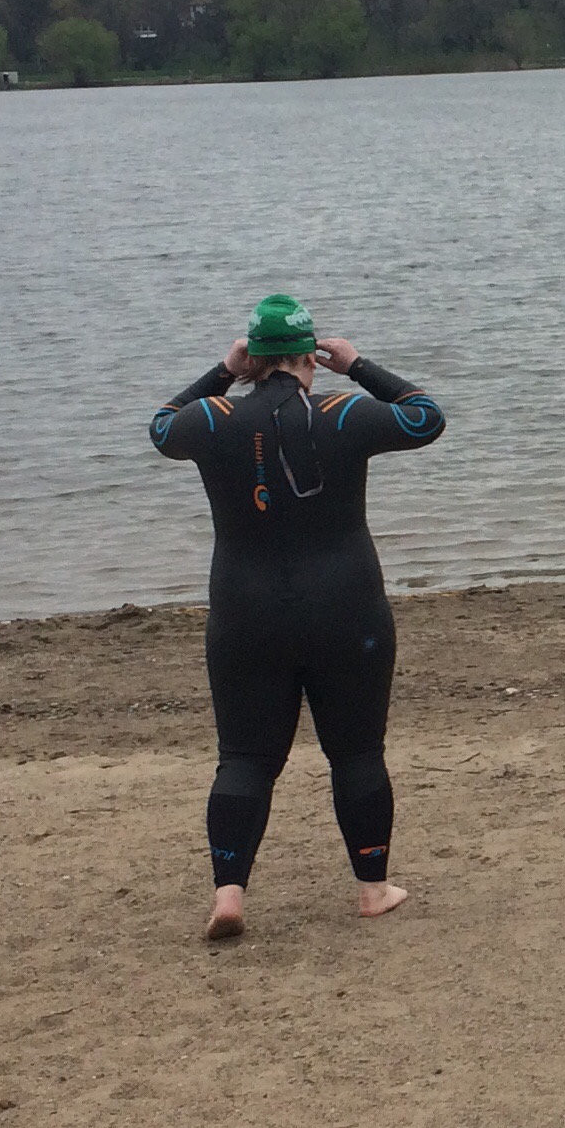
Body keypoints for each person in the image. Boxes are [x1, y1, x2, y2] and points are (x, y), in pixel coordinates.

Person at [152, 292, 443, 941]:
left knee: (244, 758)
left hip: (245, 613)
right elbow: (426, 417)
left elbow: (161, 426)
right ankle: (373, 890)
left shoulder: (213, 418)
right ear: (313, 356)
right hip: (348, 610)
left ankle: (229, 894)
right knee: (357, 753)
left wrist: (223, 371)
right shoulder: (345, 413)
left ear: (253, 357)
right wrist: (359, 365)